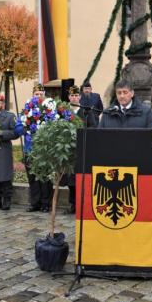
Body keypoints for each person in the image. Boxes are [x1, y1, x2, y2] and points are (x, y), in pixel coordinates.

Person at [63, 85, 96, 214]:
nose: (74, 98)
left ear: (80, 97)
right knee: (70, 179)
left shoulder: (86, 111)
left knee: (81, 178)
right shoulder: (64, 111)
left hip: (82, 149)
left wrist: (83, 134)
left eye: (77, 95)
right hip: (68, 150)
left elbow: (93, 127)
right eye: (72, 95)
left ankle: (82, 204)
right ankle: (72, 204)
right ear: (69, 97)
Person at [22, 83, 52, 213]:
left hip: (44, 149)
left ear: (44, 95)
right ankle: (35, 203)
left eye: (41, 94)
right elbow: (19, 125)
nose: (39, 96)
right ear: (32, 95)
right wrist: (25, 127)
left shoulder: (50, 109)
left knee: (45, 178)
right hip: (30, 148)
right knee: (33, 177)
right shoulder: (27, 109)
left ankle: (46, 203)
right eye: (36, 94)